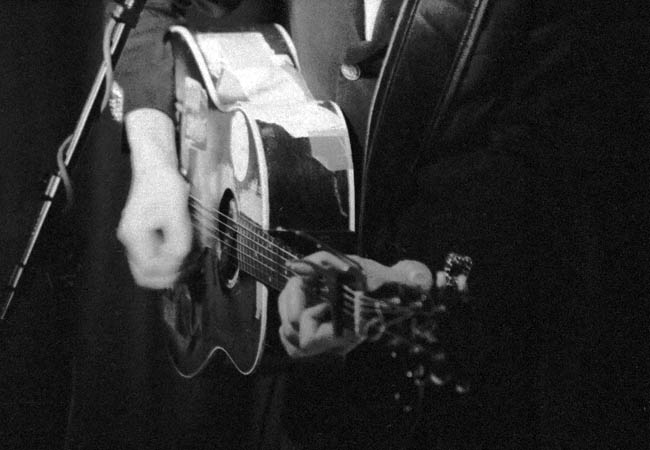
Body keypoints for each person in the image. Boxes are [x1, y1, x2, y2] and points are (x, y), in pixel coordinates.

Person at [67, 0, 649, 449]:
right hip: (312, 399)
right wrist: (155, 160)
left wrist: (412, 278)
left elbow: (568, 179)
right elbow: (144, 12)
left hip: (490, 392)